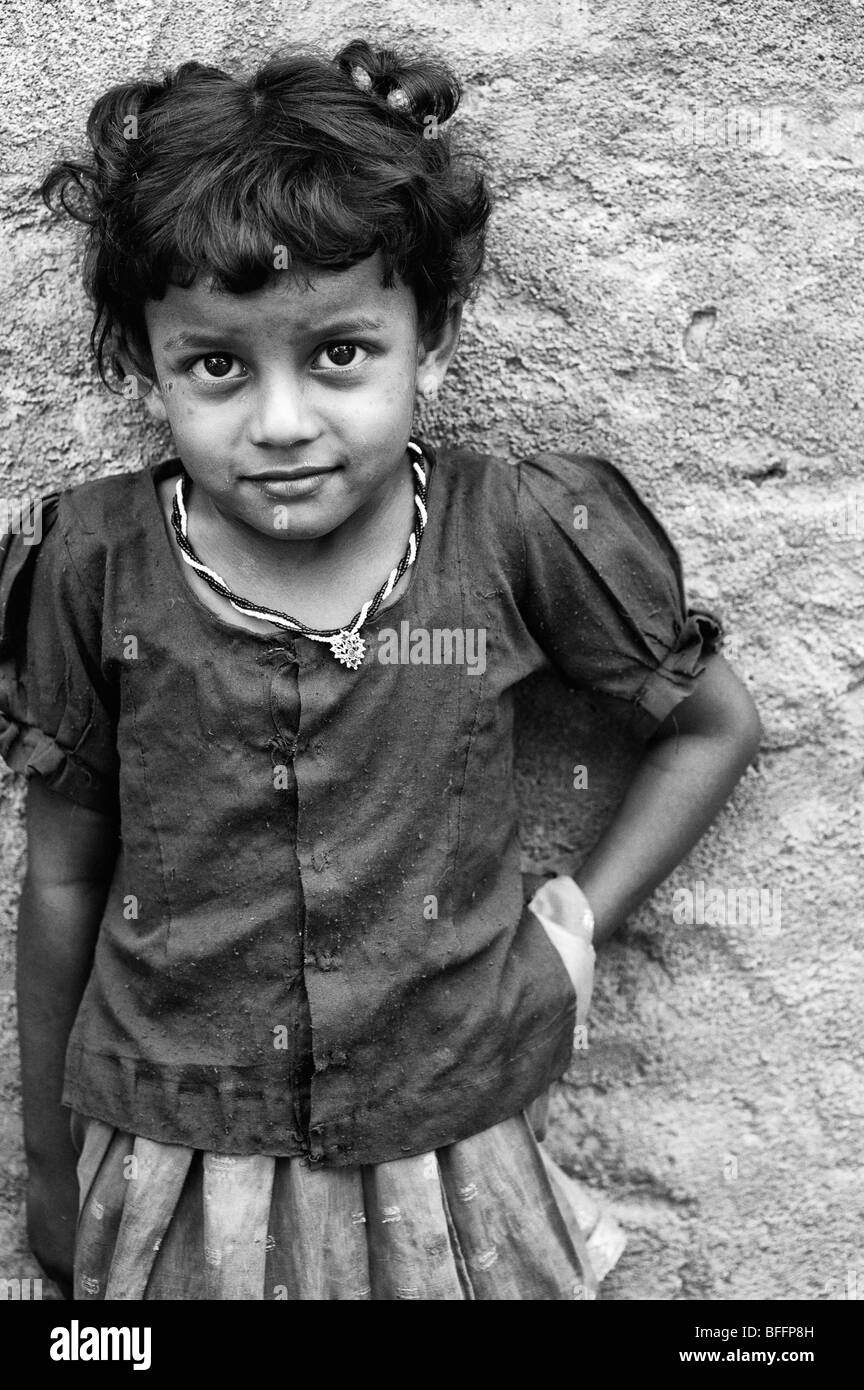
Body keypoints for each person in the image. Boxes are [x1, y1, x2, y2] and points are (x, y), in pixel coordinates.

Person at [0, 37, 762, 1301]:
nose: (284, 420)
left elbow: (709, 725)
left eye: (340, 352)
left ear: (435, 338)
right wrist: (40, 1167)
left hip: (441, 1155)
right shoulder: (91, 565)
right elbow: (65, 868)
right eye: (217, 364)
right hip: (173, 1161)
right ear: (149, 364)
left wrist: (565, 931)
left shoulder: (512, 532)